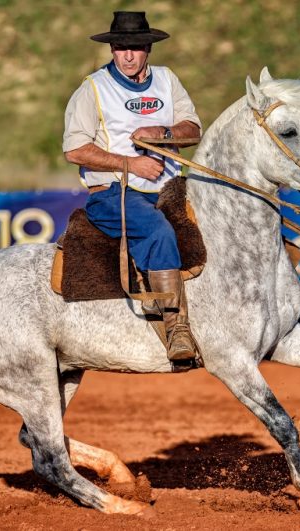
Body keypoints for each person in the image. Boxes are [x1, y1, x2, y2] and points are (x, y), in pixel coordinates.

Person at [62, 11, 202, 361]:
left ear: (148, 49)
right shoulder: (93, 88)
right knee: (157, 230)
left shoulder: (167, 80)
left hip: (170, 187)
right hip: (114, 193)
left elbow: (193, 129)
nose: (127, 56)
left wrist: (162, 133)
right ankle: (176, 328)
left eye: (135, 48)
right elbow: (74, 150)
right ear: (111, 49)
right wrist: (130, 163)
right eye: (120, 47)